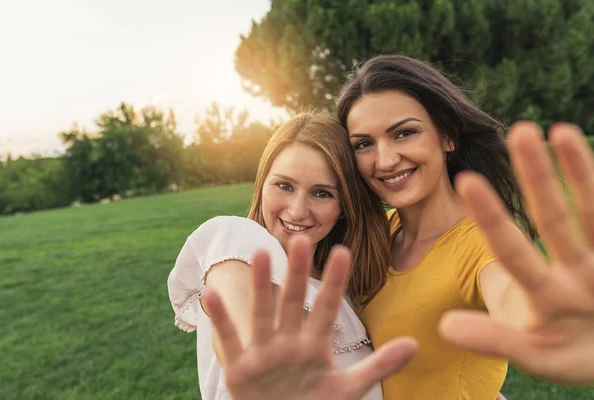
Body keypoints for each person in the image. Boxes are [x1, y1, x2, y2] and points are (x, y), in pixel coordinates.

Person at [201, 55, 594, 399]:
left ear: (447, 137)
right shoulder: (376, 234)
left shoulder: (483, 243)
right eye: (363, 144)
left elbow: (511, 295)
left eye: (404, 133)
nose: (385, 160)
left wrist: (545, 323)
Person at [167, 112, 418, 399]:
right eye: (284, 186)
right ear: (262, 184)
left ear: (345, 207)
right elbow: (235, 299)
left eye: (322, 193)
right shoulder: (237, 242)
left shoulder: (352, 289)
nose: (298, 210)